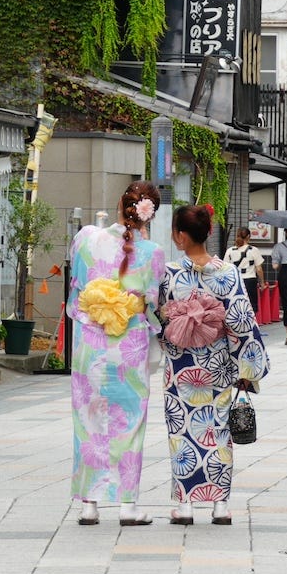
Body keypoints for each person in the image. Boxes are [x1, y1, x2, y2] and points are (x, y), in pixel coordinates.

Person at [158, 203, 270, 526]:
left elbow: (161, 317)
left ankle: (186, 505)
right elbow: (240, 322)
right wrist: (247, 370)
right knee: (218, 431)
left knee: (182, 432)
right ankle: (220, 504)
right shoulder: (227, 273)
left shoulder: (170, 274)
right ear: (208, 233)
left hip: (181, 366)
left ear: (180, 237)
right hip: (218, 364)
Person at [70, 180, 166, 526]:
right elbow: (153, 303)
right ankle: (128, 506)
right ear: (149, 215)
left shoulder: (86, 238)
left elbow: (75, 293)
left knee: (88, 421)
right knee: (130, 422)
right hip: (129, 343)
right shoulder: (153, 252)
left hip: (90, 343)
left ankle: (89, 504)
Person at [223, 228, 264, 316]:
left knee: (236, 306)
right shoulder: (253, 250)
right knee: (251, 307)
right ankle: (250, 326)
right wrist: (262, 283)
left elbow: (225, 268)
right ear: (248, 236)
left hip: (235, 282)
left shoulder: (230, 251)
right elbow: (259, 269)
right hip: (250, 281)